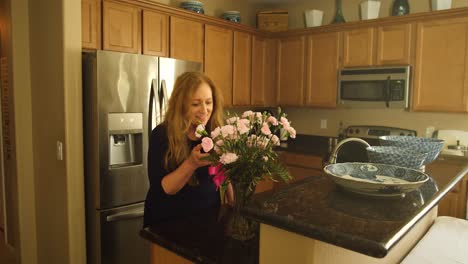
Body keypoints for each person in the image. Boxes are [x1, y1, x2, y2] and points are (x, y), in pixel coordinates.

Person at [144, 72, 233, 227]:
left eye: (209, 102)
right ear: (181, 105)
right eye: (195, 104)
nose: (204, 110)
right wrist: (191, 163)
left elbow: (223, 174)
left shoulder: (215, 132)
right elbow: (164, 188)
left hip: (208, 219)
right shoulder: (162, 134)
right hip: (168, 224)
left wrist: (233, 200)